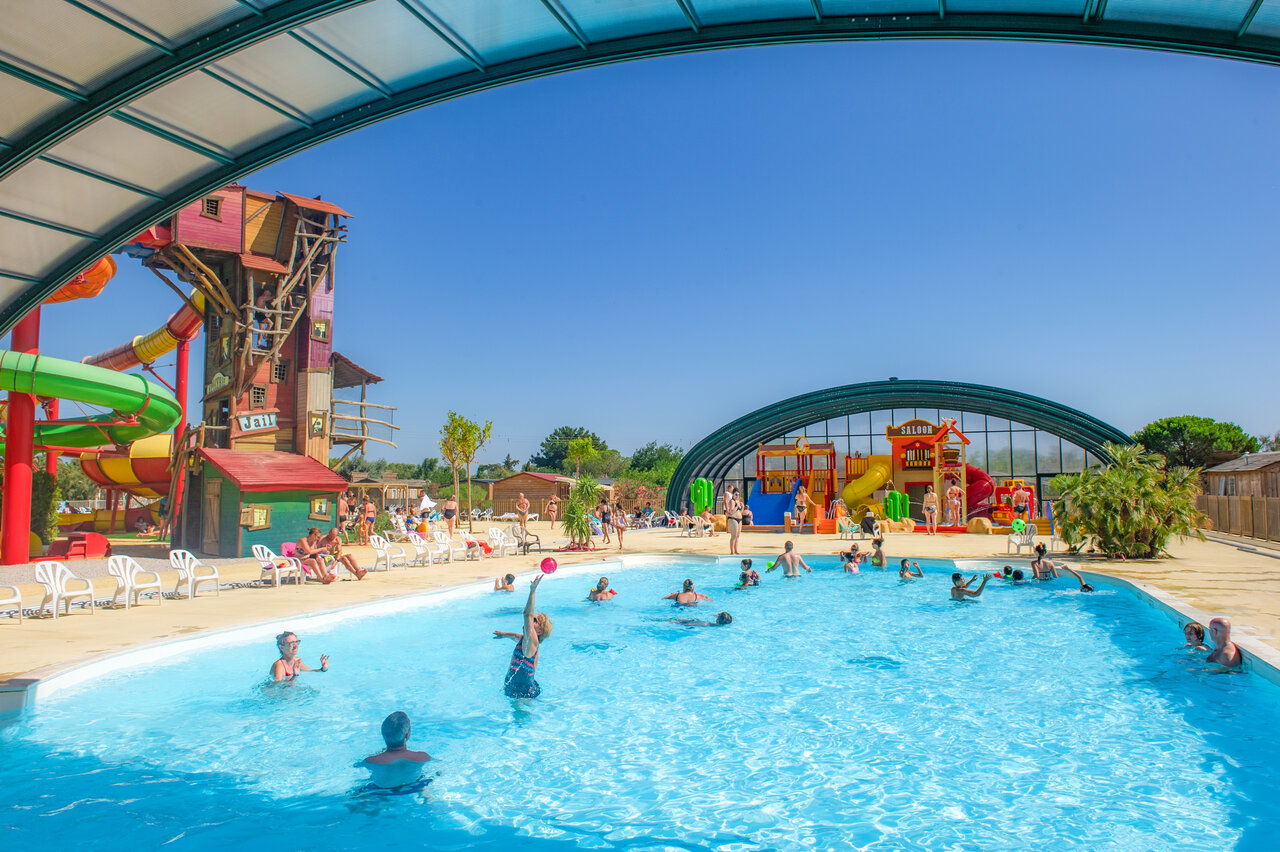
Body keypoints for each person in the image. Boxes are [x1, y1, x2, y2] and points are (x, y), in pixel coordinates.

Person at [492, 574, 551, 698]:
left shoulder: (532, 643)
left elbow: (527, 614)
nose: (530, 620)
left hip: (522, 692)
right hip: (519, 685)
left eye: (535, 621)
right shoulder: (526, 641)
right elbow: (516, 636)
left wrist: (532, 590)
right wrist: (503, 635)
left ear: (539, 632)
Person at [363, 711, 431, 789]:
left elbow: (356, 765)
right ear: (407, 735)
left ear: (383, 735)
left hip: (382, 790)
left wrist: (377, 754)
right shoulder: (422, 756)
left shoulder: (371, 760)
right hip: (413, 786)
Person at [726, 486, 744, 555]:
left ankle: (736, 550)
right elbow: (731, 512)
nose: (737, 496)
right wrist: (737, 506)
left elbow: (741, 512)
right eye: (736, 494)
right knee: (734, 535)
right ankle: (732, 551)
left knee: (737, 536)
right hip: (733, 519)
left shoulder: (738, 502)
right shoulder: (732, 501)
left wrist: (742, 507)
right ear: (733, 494)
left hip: (739, 519)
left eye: (738, 495)